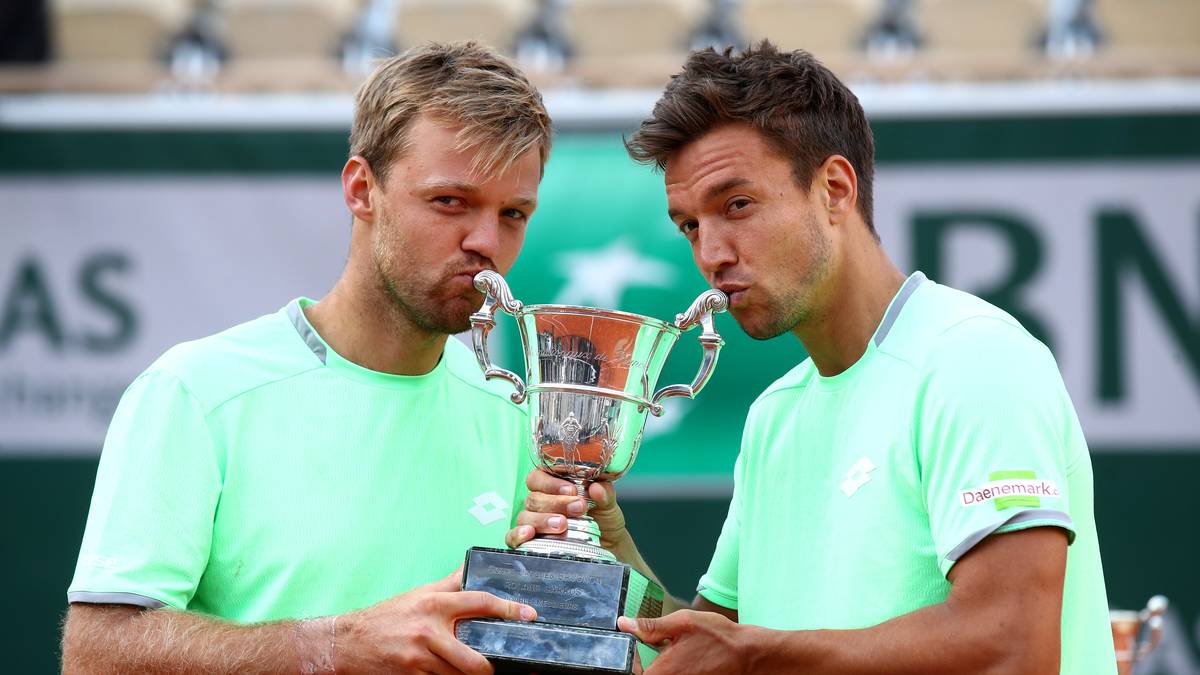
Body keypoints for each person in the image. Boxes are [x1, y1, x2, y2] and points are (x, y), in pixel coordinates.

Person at [509, 41, 1115, 674]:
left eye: (736, 205)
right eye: (690, 225)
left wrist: (754, 657)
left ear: (833, 189)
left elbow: (1014, 648)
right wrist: (608, 549)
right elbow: (716, 648)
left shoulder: (974, 357)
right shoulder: (774, 414)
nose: (711, 253)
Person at [61, 41, 551, 675]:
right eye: (449, 201)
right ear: (361, 189)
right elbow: (95, 655)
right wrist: (335, 646)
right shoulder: (194, 391)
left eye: (513, 213)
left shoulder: (517, 411)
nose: (485, 241)